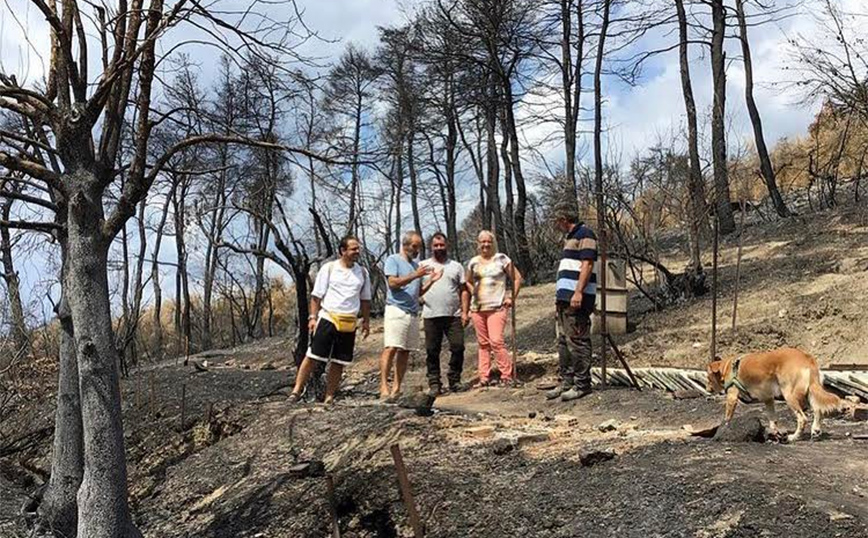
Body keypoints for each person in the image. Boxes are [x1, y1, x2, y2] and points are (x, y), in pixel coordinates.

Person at [289, 236, 371, 404]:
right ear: (343, 251)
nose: (357, 252)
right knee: (313, 356)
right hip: (329, 317)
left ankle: (329, 396)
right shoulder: (329, 268)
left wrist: (366, 321)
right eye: (353, 249)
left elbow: (365, 299)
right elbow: (316, 296)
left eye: (358, 248)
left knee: (339, 361)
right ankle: (296, 392)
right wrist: (313, 317)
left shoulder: (362, 272)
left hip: (349, 321)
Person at [546, 205, 598, 402]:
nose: (555, 224)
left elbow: (587, 264)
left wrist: (578, 292)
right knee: (563, 341)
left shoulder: (585, 234)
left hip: (577, 298)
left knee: (577, 339)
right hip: (564, 299)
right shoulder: (569, 238)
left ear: (563, 218)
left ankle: (582, 384)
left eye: (556, 220)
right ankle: (567, 382)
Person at [466, 230, 522, 387]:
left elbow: (517, 278)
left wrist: (511, 297)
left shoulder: (501, 259)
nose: (485, 245)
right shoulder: (473, 262)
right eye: (482, 242)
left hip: (497, 307)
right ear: (478, 244)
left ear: (493, 243)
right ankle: (484, 377)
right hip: (477, 309)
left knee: (496, 341)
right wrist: (474, 293)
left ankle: (506, 375)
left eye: (488, 241)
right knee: (483, 344)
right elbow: (468, 281)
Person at [380, 231, 431, 399]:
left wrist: (432, 281)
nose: (417, 250)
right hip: (396, 309)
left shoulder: (416, 266)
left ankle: (397, 387)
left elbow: (417, 292)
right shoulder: (393, 260)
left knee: (405, 350)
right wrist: (415, 275)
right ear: (405, 245)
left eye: (419, 247)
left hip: (413, 311)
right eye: (415, 246)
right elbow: (393, 283)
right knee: (392, 347)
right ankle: (383, 387)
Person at [419, 232, 470, 395]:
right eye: (436, 245)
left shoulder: (456, 266)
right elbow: (416, 291)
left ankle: (454, 380)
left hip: (453, 315)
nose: (439, 248)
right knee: (432, 350)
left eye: (441, 245)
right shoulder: (422, 266)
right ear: (430, 247)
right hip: (430, 315)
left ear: (447, 246)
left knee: (458, 346)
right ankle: (434, 383)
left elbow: (463, 290)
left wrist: (465, 311)